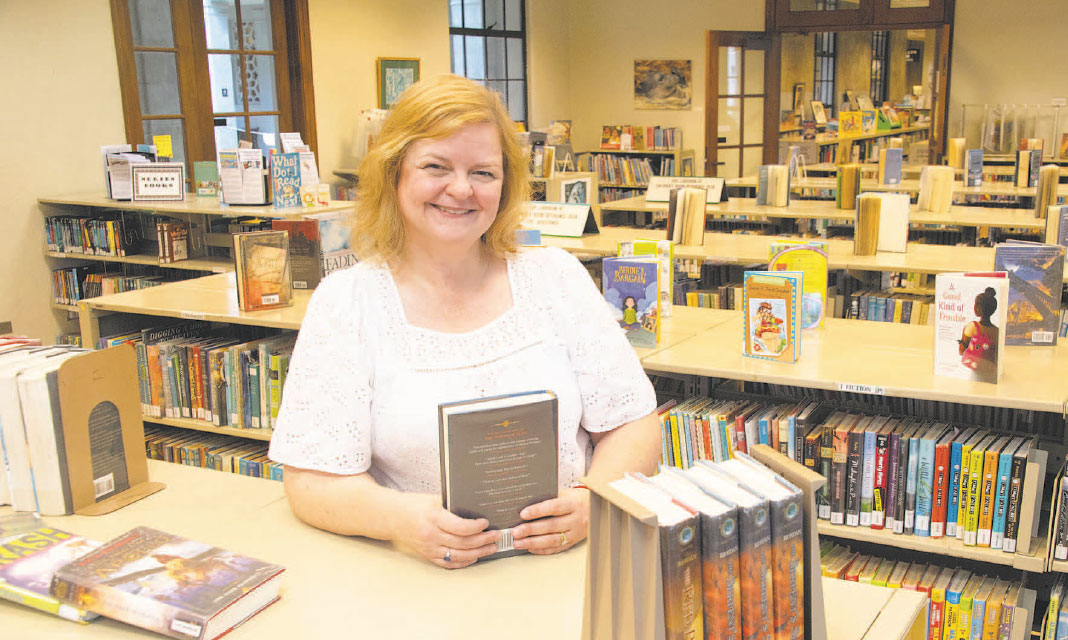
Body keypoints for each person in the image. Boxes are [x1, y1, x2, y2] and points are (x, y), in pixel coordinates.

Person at [268, 74, 660, 569]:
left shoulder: (555, 278)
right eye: (436, 166)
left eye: (483, 173)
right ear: (395, 174)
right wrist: (399, 520)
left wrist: (594, 502)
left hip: (568, 570)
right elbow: (309, 482)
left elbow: (633, 426)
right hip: (415, 579)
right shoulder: (349, 302)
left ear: (506, 184)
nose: (460, 189)